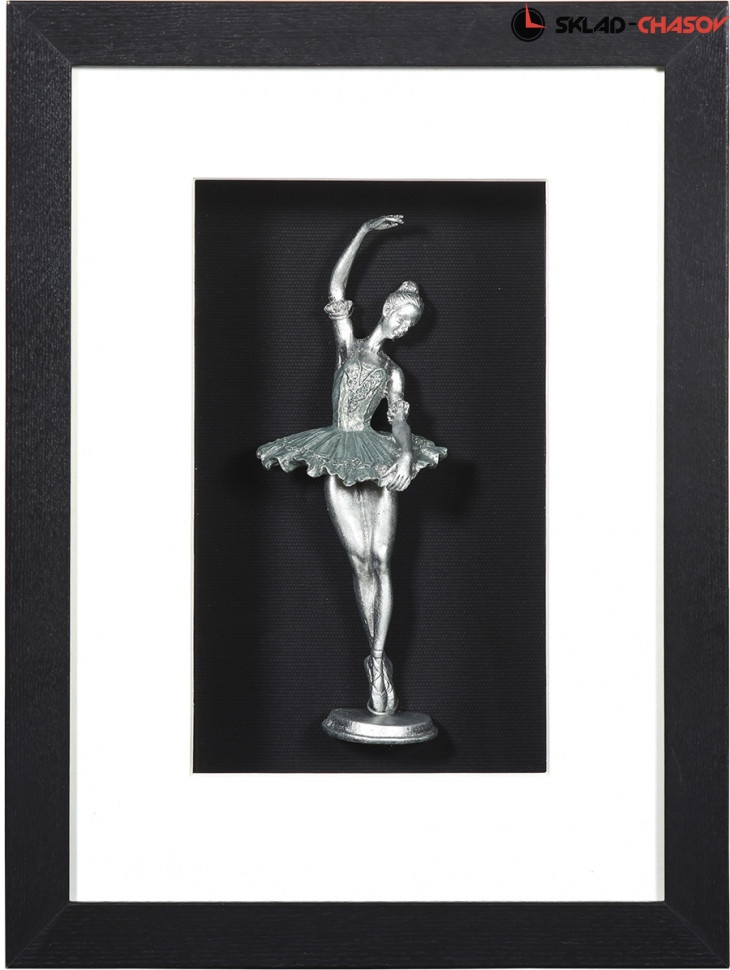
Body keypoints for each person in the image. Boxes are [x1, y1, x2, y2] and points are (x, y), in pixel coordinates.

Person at [257, 215, 446, 716]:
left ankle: (379, 661)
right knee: (360, 560)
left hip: (377, 454)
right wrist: (364, 232)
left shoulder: (393, 372)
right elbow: (337, 288)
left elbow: (400, 421)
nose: (404, 327)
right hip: (339, 449)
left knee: (383, 559)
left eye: (411, 324)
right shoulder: (350, 346)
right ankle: (373, 657)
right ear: (387, 309)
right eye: (402, 317)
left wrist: (404, 452)